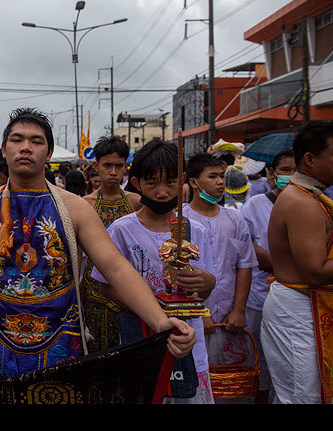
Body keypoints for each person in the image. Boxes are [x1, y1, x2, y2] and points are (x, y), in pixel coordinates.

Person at [0, 108, 196, 395]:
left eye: (36, 141)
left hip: (61, 340)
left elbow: (115, 267)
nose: (26, 147)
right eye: (17, 140)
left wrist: (159, 321)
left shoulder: (76, 209)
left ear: (50, 152)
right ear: (5, 149)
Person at [91, 139, 217, 403]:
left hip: (188, 337)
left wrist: (207, 282)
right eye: (152, 183)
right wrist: (149, 305)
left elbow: (203, 290)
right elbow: (105, 285)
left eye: (170, 182)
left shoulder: (197, 232)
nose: (162, 192)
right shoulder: (122, 230)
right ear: (136, 183)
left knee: (188, 392)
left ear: (182, 180)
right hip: (141, 335)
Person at [263, 120, 333, 404]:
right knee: (303, 398)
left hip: (304, 308)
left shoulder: (310, 196)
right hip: (299, 310)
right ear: (309, 159)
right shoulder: (303, 202)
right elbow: (315, 271)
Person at [183, 152, 258, 402]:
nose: (220, 182)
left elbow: (245, 266)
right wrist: (199, 312)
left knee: (230, 385)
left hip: (229, 319)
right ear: (194, 182)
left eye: (222, 176)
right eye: (212, 176)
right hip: (193, 318)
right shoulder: (181, 221)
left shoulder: (235, 220)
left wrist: (238, 310)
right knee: (197, 381)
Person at [240, 148, 295, 404]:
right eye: (285, 170)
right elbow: (245, 242)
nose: (291, 176)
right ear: (272, 174)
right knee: (259, 358)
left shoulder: (309, 203)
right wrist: (272, 262)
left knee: (290, 361)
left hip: (296, 295)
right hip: (260, 294)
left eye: (296, 171)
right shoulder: (256, 204)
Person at [80, 135, 141, 352]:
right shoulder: (84, 205)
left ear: (126, 166)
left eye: (119, 166)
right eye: (107, 165)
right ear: (96, 166)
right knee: (99, 353)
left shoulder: (135, 202)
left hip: (129, 289)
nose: (113, 171)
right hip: (93, 292)